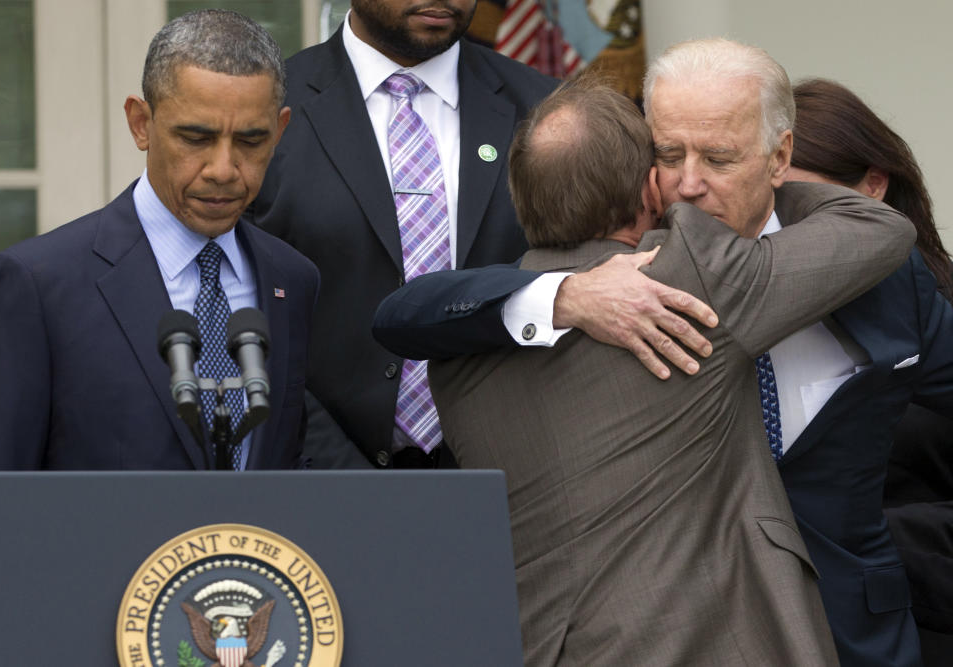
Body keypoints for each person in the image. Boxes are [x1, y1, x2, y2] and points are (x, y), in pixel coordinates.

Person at [374, 38, 953, 667]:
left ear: (780, 153)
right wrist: (565, 297)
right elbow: (408, 313)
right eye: (669, 155)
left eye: (720, 157)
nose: (689, 184)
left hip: (850, 627)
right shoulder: (642, 275)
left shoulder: (878, 276)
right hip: (686, 634)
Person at [246, 0, 714, 469]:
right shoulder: (262, 115)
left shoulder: (554, 117)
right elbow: (243, 313)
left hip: (523, 482)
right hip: (319, 484)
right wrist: (338, 473)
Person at [0, 10, 322, 470]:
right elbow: (7, 494)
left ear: (280, 131)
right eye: (196, 138)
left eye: (250, 141)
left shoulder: (293, 278)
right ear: (140, 124)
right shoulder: (38, 285)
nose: (223, 169)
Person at [786, 77, 953, 663]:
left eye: (799, 203)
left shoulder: (937, 316)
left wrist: (861, 545)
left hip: (922, 626)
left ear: (873, 188)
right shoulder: (754, 316)